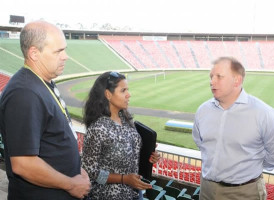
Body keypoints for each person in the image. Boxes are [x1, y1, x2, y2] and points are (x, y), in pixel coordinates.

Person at [0, 21, 91, 200]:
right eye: (58, 51)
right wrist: (71, 184)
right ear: (34, 53)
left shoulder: (41, 81)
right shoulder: (25, 93)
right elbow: (23, 163)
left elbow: (51, 141)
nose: (65, 56)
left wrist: (75, 169)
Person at [192, 57, 274, 200]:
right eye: (211, 76)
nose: (212, 81)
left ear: (237, 80)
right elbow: (200, 143)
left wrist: (252, 163)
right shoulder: (203, 110)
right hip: (207, 189)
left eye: (219, 76)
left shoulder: (264, 114)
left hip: (245, 193)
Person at [82, 71, 161, 200]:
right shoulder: (98, 128)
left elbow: (130, 154)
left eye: (127, 90)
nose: (129, 95)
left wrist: (148, 156)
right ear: (108, 94)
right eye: (123, 90)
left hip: (134, 194)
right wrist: (124, 179)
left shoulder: (126, 119)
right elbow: (90, 172)